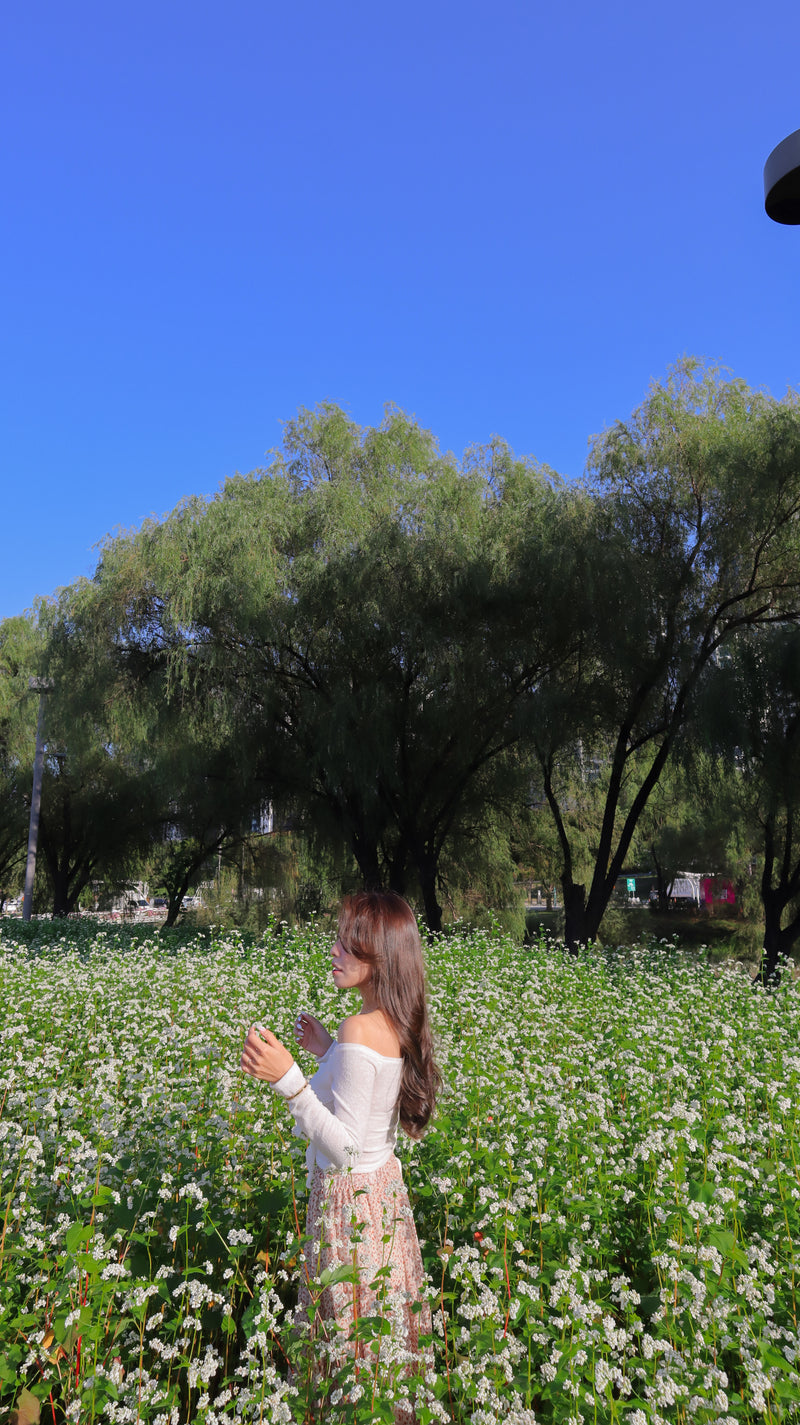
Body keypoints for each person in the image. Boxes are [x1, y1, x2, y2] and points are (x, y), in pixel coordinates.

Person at [240, 890, 440, 1419]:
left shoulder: (360, 1028)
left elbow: (346, 1150)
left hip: (350, 1208)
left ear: (381, 961)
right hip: (384, 1201)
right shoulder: (391, 1024)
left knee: (347, 1341)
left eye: (350, 946)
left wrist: (288, 1080)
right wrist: (329, 1053)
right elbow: (367, 1104)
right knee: (379, 1342)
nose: (335, 952)